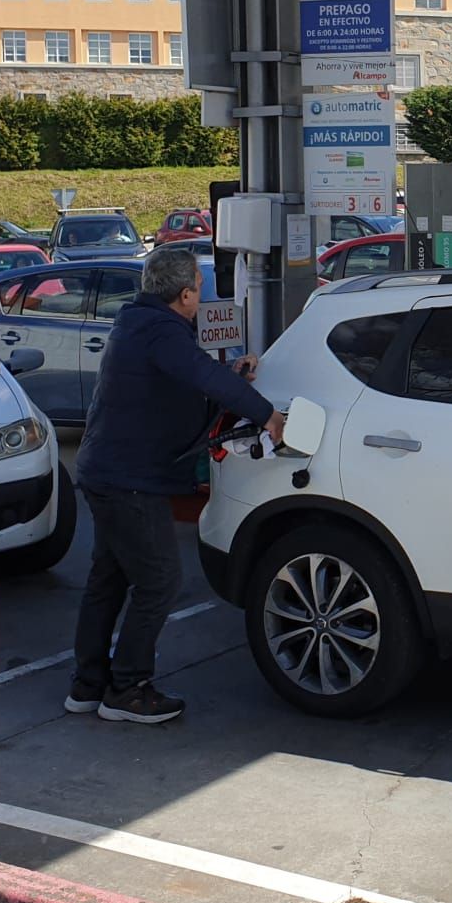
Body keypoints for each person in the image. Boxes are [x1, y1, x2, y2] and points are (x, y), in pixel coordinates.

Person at [69, 247, 285, 725]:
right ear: (186, 293)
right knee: (160, 580)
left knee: (110, 578)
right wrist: (267, 414)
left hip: (106, 471)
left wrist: (233, 379)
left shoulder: (138, 323)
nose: (199, 297)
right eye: (198, 290)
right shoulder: (162, 331)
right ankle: (128, 687)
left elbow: (187, 380)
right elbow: (198, 373)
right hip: (129, 480)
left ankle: (88, 684)